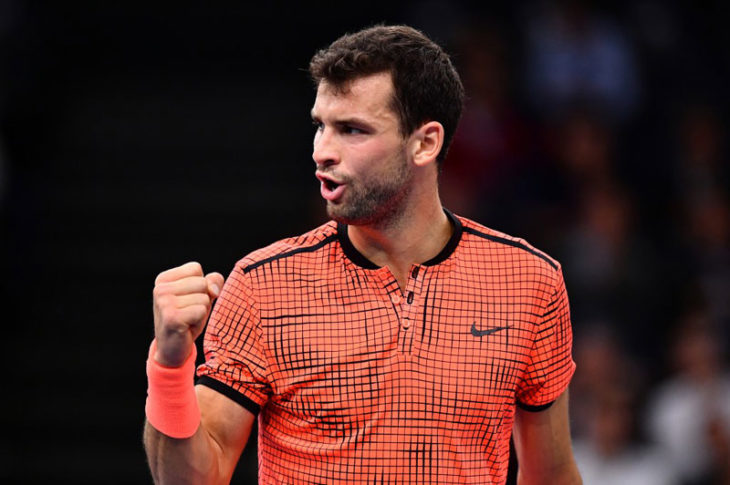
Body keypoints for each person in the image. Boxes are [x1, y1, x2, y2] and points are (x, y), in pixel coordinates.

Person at [143, 25, 582, 485]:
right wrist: (170, 366)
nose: (322, 152)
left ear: (425, 143)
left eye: (351, 130)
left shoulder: (530, 282)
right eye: (320, 126)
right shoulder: (261, 286)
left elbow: (551, 474)